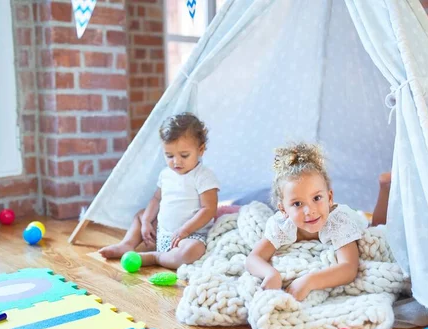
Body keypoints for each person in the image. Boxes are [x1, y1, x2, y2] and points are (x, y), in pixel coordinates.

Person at [244, 142, 390, 301]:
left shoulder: (339, 223)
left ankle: (385, 188)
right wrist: (271, 274)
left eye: (317, 198)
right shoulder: (282, 226)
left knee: (377, 230)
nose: (310, 210)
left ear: (330, 197)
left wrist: (309, 281)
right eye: (297, 204)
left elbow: (348, 268)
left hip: (358, 222)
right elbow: (253, 258)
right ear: (283, 210)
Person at [99, 113, 219, 269]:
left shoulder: (203, 176)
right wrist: (147, 221)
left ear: (201, 150)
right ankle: (127, 244)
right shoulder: (166, 174)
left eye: (184, 155)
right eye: (169, 155)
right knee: (141, 215)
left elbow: (209, 209)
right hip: (162, 232)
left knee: (192, 251)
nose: (176, 161)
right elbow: (156, 199)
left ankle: (156, 257)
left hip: (188, 236)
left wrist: (185, 230)